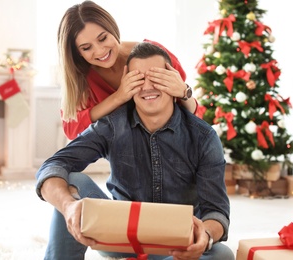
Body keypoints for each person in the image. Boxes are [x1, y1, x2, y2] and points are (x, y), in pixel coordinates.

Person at [35, 42, 234, 260]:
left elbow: (216, 211)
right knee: (73, 181)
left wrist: (205, 234)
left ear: (172, 79)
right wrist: (68, 206)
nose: (148, 87)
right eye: (138, 79)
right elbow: (52, 166)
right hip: (121, 237)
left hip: (177, 244)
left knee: (221, 255)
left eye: (156, 77)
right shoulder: (111, 126)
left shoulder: (203, 137)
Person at [58, 0, 197, 140]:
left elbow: (194, 115)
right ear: (78, 53)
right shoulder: (82, 78)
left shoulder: (154, 55)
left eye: (103, 38)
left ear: (112, 29)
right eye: (86, 48)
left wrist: (184, 92)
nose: (100, 51)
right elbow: (71, 129)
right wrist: (118, 97)